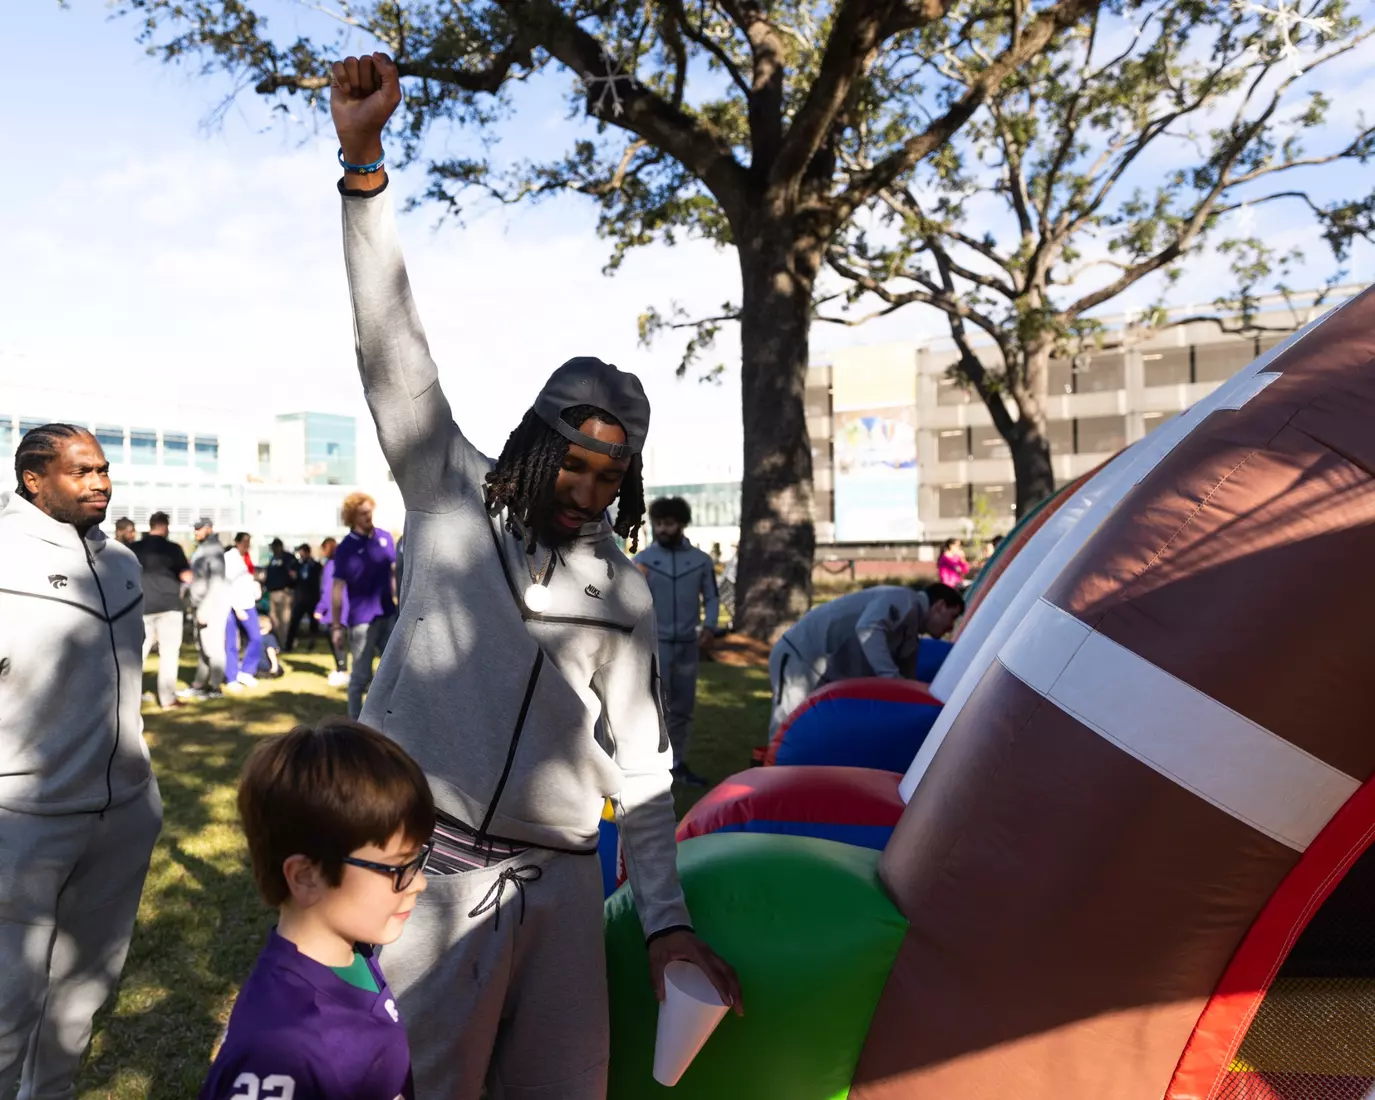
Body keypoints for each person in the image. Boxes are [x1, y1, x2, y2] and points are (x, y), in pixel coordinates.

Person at [327, 51, 741, 1100]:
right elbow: (392, 346)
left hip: (560, 886)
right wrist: (364, 168)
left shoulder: (631, 590)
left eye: (614, 475)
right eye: (577, 461)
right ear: (535, 439)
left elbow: (644, 772)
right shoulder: (445, 491)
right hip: (423, 874)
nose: (589, 488)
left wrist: (666, 924)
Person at [0, 424, 163, 1098]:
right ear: (35, 480)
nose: (100, 482)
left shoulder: (123, 561)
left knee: (80, 999)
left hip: (123, 814)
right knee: (8, 1008)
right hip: (24, 819)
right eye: (81, 471)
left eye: (102, 469)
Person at [200, 720, 434, 1100]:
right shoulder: (278, 1054)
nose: (420, 882)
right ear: (307, 877)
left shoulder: (351, 950)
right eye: (399, 867)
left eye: (419, 859)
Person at [768, 582, 966, 735]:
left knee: (808, 730)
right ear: (940, 606)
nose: (951, 627)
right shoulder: (903, 599)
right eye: (953, 617)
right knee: (786, 725)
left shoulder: (911, 631)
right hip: (800, 655)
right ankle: (767, 779)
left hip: (821, 667)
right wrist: (890, 677)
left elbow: (907, 684)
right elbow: (869, 628)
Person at [633, 497, 721, 786]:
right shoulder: (643, 561)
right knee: (653, 708)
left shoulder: (700, 561)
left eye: (668, 523)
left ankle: (676, 764)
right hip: (654, 647)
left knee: (682, 710)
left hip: (687, 645)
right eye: (658, 523)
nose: (662, 529)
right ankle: (648, 767)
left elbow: (711, 597)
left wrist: (710, 626)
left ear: (681, 523)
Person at [330, 493, 397, 720]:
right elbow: (337, 588)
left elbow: (394, 575)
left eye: (370, 511)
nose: (369, 516)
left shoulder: (385, 538)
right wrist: (336, 626)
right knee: (360, 676)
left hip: (389, 615)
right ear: (352, 516)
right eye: (363, 513)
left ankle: (390, 718)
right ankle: (355, 726)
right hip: (361, 621)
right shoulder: (345, 548)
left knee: (397, 671)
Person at [132, 510, 192, 710]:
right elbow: (186, 576)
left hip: (142, 605)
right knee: (169, 653)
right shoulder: (173, 549)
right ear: (165, 526)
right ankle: (167, 699)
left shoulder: (135, 548)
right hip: (169, 606)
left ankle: (129, 697)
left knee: (137, 654)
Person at [185, 516, 231, 699]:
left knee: (213, 648)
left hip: (213, 606)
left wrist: (205, 609)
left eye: (199, 528)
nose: (195, 532)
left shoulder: (213, 549)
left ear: (209, 528)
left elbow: (216, 581)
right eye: (194, 528)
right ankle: (199, 684)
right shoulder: (203, 548)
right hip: (201, 604)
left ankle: (215, 687)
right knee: (203, 647)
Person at [225, 542, 264, 690]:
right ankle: (231, 677)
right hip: (233, 605)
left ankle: (247, 671)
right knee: (231, 642)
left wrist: (255, 588)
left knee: (256, 637)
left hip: (248, 603)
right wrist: (236, 607)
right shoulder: (229, 558)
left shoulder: (247, 558)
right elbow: (228, 585)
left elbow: (247, 579)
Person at [315, 537, 351, 688]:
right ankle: (340, 668)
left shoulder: (331, 566)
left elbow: (328, 590)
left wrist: (320, 609)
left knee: (336, 640)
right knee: (339, 639)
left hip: (334, 610)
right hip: (344, 607)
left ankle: (342, 670)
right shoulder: (343, 564)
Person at [286, 542, 323, 652]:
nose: (301, 556)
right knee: (294, 623)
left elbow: (318, 581)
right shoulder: (297, 565)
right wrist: (293, 577)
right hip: (300, 598)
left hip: (312, 598)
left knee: (313, 624)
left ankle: (312, 644)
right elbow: (292, 582)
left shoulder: (316, 566)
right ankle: (288, 645)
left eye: (302, 553)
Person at [263, 537, 299, 642]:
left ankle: (285, 642)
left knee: (285, 620)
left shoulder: (288, 558)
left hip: (284, 592)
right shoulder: (273, 558)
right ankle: (278, 641)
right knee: (274, 619)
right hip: (272, 592)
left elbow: (294, 574)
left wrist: (289, 586)